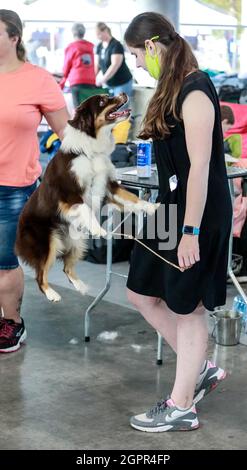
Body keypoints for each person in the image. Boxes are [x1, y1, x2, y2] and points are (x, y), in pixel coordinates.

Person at [124, 12, 232, 432]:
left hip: (197, 212)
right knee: (140, 292)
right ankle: (200, 368)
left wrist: (190, 232)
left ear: (152, 46)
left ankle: (182, 405)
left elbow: (201, 169)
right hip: (171, 204)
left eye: (136, 54)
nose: (136, 63)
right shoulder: (170, 86)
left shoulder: (195, 89)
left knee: (189, 307)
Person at [0, 9, 70, 353]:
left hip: (13, 189)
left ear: (15, 38)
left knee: (2, 262)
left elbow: (67, 135)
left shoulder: (37, 79)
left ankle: (11, 323)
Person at [60, 22, 97, 108]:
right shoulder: (90, 46)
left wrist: (63, 80)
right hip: (91, 80)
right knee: (89, 109)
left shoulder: (72, 46)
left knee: (79, 109)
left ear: (73, 33)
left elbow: (66, 67)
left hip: (77, 81)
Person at [95, 22, 133, 100]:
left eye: (99, 34)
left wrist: (103, 80)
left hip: (122, 82)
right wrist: (93, 78)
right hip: (109, 83)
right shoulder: (99, 46)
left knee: (120, 110)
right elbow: (97, 64)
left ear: (105, 31)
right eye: (96, 35)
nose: (98, 37)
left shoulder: (116, 45)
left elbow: (115, 65)